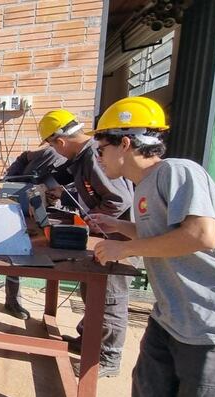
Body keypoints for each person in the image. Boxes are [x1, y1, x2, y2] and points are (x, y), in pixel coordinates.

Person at [90, 96, 215, 397]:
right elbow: (166, 232)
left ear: (124, 143)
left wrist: (123, 251)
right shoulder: (145, 187)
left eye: (101, 149)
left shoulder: (177, 171)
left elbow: (200, 235)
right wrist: (119, 226)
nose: (98, 158)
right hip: (171, 318)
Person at [39, 108, 134, 378]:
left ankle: (107, 359)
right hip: (105, 235)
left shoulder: (93, 155)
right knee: (91, 292)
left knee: (109, 298)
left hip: (120, 239)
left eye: (51, 146)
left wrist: (97, 220)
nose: (55, 151)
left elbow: (119, 200)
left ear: (60, 141)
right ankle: (87, 341)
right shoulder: (82, 159)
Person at [0, 147, 68, 319]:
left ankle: (45, 309)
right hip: (19, 203)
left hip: (47, 208)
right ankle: (13, 300)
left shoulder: (77, 160)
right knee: (15, 252)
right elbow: (23, 157)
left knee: (48, 252)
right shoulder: (50, 153)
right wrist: (9, 181)